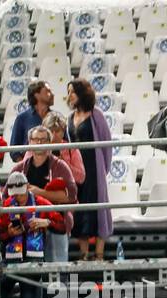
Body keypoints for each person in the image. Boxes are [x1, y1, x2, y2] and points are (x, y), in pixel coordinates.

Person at [0, 170, 62, 298]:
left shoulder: (41, 203)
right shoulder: (7, 205)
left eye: (20, 193)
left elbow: (63, 224)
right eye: (15, 194)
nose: (18, 197)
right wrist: (9, 233)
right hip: (11, 261)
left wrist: (46, 223)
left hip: (34, 260)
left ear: (27, 187)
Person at [17, 126, 77, 267]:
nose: (39, 143)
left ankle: (59, 289)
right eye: (36, 139)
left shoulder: (61, 167)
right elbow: (9, 197)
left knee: (58, 269)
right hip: (28, 226)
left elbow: (71, 197)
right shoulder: (20, 168)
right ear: (29, 142)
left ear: (50, 142)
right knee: (31, 273)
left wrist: (40, 193)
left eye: (43, 140)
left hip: (55, 225)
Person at [66, 78, 112, 261]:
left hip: (94, 167)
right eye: (68, 92)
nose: (69, 96)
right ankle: (84, 254)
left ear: (82, 94)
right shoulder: (70, 118)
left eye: (73, 92)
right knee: (79, 209)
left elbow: (106, 143)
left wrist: (103, 170)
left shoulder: (96, 115)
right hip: (77, 169)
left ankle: (99, 254)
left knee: (99, 209)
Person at [9, 79, 55, 157]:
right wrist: (26, 165)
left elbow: (67, 144)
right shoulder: (22, 118)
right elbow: (14, 150)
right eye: (48, 91)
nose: (52, 94)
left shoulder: (56, 118)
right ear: (36, 95)